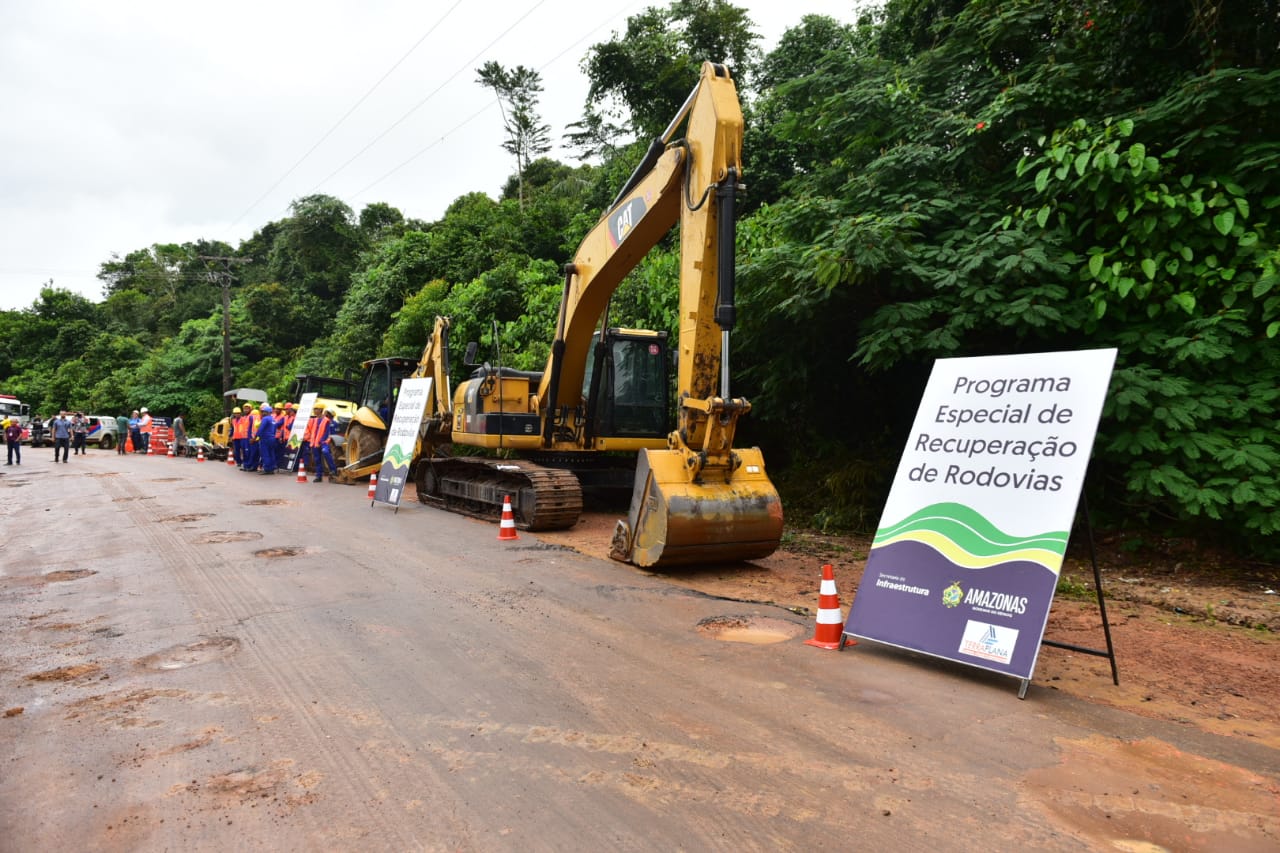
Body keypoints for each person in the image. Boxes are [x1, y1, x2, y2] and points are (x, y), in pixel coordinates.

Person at [311, 409, 339, 483]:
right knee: (317, 459)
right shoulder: (315, 420)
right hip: (316, 442)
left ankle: (333, 470)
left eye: (328, 413)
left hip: (325, 441)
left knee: (325, 452)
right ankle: (318, 476)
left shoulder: (329, 421)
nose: (327, 414)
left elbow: (329, 433)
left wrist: (322, 440)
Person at [255, 404, 277, 475]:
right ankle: (272, 468)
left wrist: (255, 437)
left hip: (265, 438)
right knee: (271, 453)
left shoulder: (265, 419)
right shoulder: (273, 419)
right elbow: (274, 430)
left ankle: (267, 469)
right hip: (272, 438)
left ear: (268, 412)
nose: (262, 413)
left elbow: (260, 429)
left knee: (265, 454)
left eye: (264, 412)